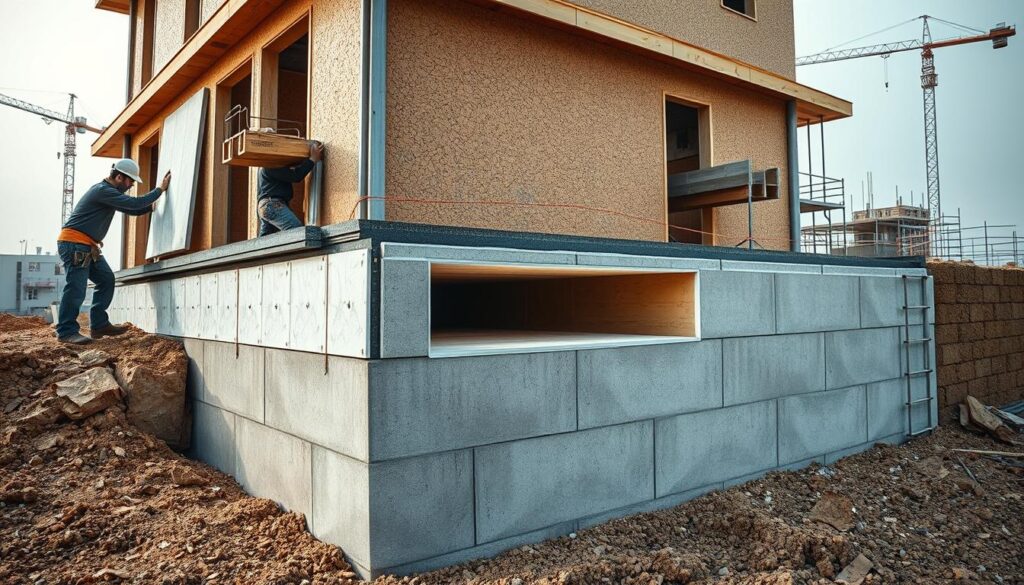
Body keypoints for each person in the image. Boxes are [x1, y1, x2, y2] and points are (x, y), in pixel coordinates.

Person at [55, 159, 171, 345]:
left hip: (86, 246)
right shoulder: (103, 191)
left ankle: (99, 325)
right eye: (130, 181)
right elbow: (134, 203)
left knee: (106, 279)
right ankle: (66, 332)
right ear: (119, 177)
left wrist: (151, 207)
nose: (131, 185)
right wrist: (160, 190)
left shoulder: (107, 194)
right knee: (76, 288)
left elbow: (133, 209)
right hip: (75, 244)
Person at [256, 141, 323, 236]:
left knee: (265, 240)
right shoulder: (272, 165)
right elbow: (296, 176)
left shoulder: (264, 167)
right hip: (272, 205)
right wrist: (312, 159)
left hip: (266, 206)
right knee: (297, 232)